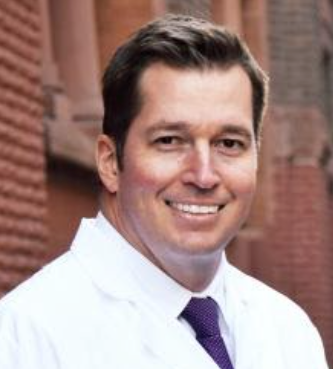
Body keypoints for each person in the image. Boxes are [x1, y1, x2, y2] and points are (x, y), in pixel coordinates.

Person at [0, 14, 328, 369]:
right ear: (110, 162)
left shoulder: (289, 330)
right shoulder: (27, 339)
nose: (204, 175)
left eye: (229, 143)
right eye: (169, 141)